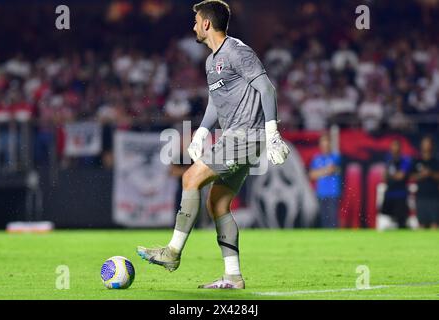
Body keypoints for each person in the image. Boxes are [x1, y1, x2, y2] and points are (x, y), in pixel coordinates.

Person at [136, 0, 290, 289]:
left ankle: (172, 252)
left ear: (206, 23)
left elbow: (266, 88)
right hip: (238, 136)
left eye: (196, 20)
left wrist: (272, 134)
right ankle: (233, 276)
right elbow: (217, 103)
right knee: (217, 203)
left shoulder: (237, 51)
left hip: (245, 135)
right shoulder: (211, 61)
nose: (193, 25)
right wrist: (201, 133)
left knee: (190, 177)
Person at [308, 134, 341, 228]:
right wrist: (325, 171)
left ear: (330, 145)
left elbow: (331, 169)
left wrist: (319, 172)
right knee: (324, 219)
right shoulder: (316, 158)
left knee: (333, 219)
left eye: (326, 144)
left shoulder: (335, 157)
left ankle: (334, 239)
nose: (325, 147)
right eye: (323, 145)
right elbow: (311, 175)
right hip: (321, 193)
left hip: (333, 192)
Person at [410, 136, 439, 229]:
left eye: (428, 143)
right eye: (424, 143)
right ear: (421, 145)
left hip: (434, 196)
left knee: (435, 224)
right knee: (421, 224)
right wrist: (421, 175)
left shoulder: (436, 161)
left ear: (432, 145)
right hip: (421, 195)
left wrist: (430, 173)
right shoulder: (416, 161)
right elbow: (410, 177)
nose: (426, 146)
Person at [381, 139, 411, 228]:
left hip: (400, 194)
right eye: (392, 146)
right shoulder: (388, 160)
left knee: (401, 221)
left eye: (396, 146)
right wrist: (392, 175)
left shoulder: (405, 160)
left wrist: (390, 175)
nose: (394, 148)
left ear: (400, 148)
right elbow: (384, 177)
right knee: (387, 219)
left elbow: (400, 176)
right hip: (389, 193)